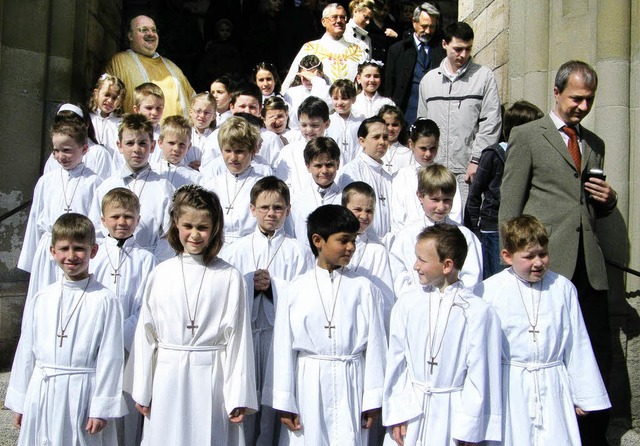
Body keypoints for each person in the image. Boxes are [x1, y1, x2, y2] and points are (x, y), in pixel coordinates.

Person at [498, 60, 618, 445]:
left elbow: (591, 206)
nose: (582, 107)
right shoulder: (529, 135)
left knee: (596, 353)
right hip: (543, 261)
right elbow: (510, 204)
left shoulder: (594, 144)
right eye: (576, 98)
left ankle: (591, 436)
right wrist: (512, 256)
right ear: (556, 92)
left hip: (589, 266)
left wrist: (609, 201)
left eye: (589, 100)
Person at [129, 185, 258, 445]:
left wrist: (238, 395)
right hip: (167, 374)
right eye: (188, 225)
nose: (195, 235)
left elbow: (238, 340)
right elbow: (146, 334)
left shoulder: (229, 277)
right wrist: (142, 388)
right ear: (176, 224)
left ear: (215, 229)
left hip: (212, 376)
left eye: (203, 227)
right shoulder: (161, 273)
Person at [476, 215, 611, 445]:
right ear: (507, 256)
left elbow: (576, 342)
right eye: (529, 256)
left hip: (552, 383)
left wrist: (584, 394)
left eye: (543, 254)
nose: (538, 262)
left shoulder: (562, 287)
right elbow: (479, 349)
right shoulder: (489, 291)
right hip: (510, 386)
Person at [271, 204, 387, 445]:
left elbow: (376, 346)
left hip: (351, 382)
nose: (351, 247)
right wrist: (285, 400)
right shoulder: (295, 290)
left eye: (354, 241)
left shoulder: (364, 289)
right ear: (318, 240)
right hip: (308, 385)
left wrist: (372, 398)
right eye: (344, 240)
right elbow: (282, 348)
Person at [6, 213, 126, 446]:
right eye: (64, 248)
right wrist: (20, 401)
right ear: (52, 252)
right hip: (43, 391)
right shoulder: (42, 297)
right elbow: (26, 351)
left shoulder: (105, 300)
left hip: (82, 394)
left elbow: (111, 357)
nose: (71, 256)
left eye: (79, 248)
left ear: (93, 251)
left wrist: (101, 408)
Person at [383, 224, 502, 446]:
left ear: (447, 265)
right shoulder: (408, 303)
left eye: (422, 260)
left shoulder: (477, 311)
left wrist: (470, 427)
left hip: (453, 413)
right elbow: (397, 362)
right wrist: (398, 412)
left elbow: (480, 373)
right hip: (411, 411)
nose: (415, 266)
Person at [220, 176, 314, 445]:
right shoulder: (236, 249)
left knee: (276, 402)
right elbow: (228, 292)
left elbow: (304, 296)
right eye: (264, 208)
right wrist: (250, 283)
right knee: (246, 402)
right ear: (252, 209)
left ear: (288, 210)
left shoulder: (299, 252)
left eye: (278, 208)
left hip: (279, 338)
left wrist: (274, 288)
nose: (271, 214)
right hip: (247, 336)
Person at [90, 188, 157, 446]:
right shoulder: (94, 257)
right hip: (96, 347)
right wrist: (103, 337)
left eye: (128, 216)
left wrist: (120, 335)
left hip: (130, 347)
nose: (122, 222)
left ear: (138, 219)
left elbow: (146, 306)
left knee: (127, 414)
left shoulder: (146, 260)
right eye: (115, 216)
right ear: (103, 219)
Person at [18, 120, 102, 306]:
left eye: (67, 150)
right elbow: (34, 221)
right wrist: (30, 259)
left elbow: (96, 225)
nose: (60, 156)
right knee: (45, 302)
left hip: (76, 251)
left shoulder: (94, 182)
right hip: (49, 251)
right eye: (56, 150)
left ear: (84, 149)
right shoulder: (46, 181)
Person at [417, 21, 501, 205]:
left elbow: (491, 123)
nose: (463, 55)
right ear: (444, 44)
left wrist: (477, 160)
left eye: (468, 49)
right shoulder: (428, 81)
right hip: (434, 169)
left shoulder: (484, 77)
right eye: (458, 49)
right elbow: (422, 125)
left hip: (467, 171)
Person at [466, 101, 544, 279]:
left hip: (520, 228)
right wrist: (475, 230)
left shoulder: (531, 156)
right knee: (497, 276)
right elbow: (475, 194)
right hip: (493, 227)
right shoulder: (493, 154)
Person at [389, 164, 482, 296]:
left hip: (454, 305)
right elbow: (398, 274)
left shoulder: (465, 236)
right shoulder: (406, 236)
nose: (441, 207)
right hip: (416, 304)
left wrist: (450, 297)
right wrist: (414, 299)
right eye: (435, 200)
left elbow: (472, 277)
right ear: (420, 196)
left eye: (447, 200)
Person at [90, 113, 175, 256]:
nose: (136, 149)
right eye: (130, 143)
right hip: (111, 259)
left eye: (142, 143)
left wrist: (152, 262)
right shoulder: (107, 186)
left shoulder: (164, 188)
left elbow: (170, 235)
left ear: (152, 146)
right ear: (119, 146)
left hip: (151, 260)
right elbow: (96, 231)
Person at [105, 14, 195, 117]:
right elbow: (105, 101)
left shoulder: (173, 68)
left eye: (154, 30)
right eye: (143, 30)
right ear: (130, 36)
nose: (150, 34)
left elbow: (196, 102)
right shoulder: (119, 62)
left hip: (178, 132)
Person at [200, 116, 265, 245]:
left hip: (250, 246)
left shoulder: (262, 185)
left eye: (239, 151)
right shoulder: (210, 185)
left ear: (252, 151)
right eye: (228, 151)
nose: (233, 157)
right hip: (216, 246)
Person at [390, 118, 462, 232]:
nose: (428, 154)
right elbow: (397, 216)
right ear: (411, 144)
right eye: (423, 148)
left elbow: (455, 213)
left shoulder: (446, 176)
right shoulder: (401, 177)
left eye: (433, 148)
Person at [342, 181, 394, 330]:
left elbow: (385, 300)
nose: (364, 216)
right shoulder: (332, 244)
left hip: (366, 323)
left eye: (369, 210)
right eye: (357, 209)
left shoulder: (377, 251)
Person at [281, 3, 367, 92]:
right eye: (334, 17)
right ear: (323, 21)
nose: (339, 20)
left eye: (342, 17)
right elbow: (291, 79)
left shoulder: (357, 50)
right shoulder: (310, 48)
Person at [384, 2, 445, 125]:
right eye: (424, 26)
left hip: (435, 116)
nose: (428, 31)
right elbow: (389, 87)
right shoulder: (397, 50)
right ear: (414, 22)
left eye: (432, 27)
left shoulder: (442, 50)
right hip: (405, 117)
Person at [338, 116, 392, 241]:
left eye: (385, 137)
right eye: (376, 137)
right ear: (362, 141)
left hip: (387, 243)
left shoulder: (387, 176)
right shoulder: (351, 171)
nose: (382, 142)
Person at [289, 136, 344, 244]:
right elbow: (291, 237)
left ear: (337, 164)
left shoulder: (345, 199)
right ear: (308, 166)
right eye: (318, 166)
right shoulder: (297, 200)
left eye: (329, 165)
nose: (324, 170)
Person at [275, 96, 332, 195]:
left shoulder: (333, 150)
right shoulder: (288, 152)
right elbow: (282, 185)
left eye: (314, 125)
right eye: (304, 125)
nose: (309, 130)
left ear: (326, 124)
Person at [282, 55, 332, 131]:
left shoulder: (328, 90)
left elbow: (320, 108)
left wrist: (315, 80)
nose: (308, 80)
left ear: (321, 74)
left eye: (310, 77)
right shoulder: (291, 93)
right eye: (305, 77)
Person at [152, 115, 202, 188]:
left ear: (188, 146)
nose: (176, 149)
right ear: (160, 143)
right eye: (171, 143)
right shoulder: (151, 171)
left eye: (182, 144)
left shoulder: (195, 178)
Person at [326, 78, 364, 166]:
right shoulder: (328, 121)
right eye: (335, 98)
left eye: (344, 98)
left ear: (353, 99)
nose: (339, 102)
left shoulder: (360, 121)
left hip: (356, 165)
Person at [88, 73, 126, 155]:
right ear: (96, 93)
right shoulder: (88, 119)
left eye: (115, 98)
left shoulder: (121, 123)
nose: (110, 101)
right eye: (107, 95)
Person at [131, 83, 165, 165]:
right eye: (149, 108)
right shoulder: (128, 134)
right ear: (137, 109)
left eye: (158, 108)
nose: (154, 112)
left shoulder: (166, 135)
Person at [186, 91, 217, 170]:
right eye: (198, 111)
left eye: (207, 113)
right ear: (191, 112)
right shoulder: (184, 133)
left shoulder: (217, 136)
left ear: (214, 116)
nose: (202, 115)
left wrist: (203, 167)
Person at [378, 105, 411, 176]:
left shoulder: (408, 153)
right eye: (386, 124)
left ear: (401, 126)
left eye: (394, 125)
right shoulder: (374, 150)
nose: (390, 128)